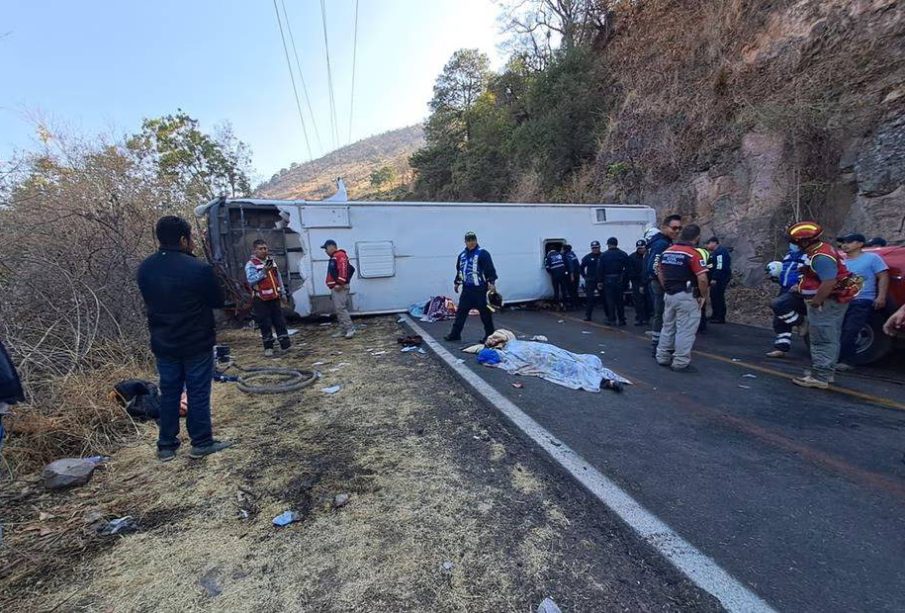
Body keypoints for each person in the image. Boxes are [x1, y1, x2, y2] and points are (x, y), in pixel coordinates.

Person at [137, 216, 231, 461]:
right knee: (198, 392)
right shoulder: (198, 268)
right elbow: (217, 301)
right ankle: (201, 442)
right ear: (183, 239)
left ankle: (166, 445)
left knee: (169, 392)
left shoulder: (146, 268)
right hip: (196, 343)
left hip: (163, 342)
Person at [787, 221, 857, 389]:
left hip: (827, 302)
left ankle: (820, 376)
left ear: (804, 242)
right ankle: (826, 373)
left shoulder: (821, 257)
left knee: (822, 337)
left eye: (795, 242)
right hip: (832, 301)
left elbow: (828, 282)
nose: (794, 246)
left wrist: (816, 301)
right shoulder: (822, 250)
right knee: (829, 336)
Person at [655, 224, 710, 371]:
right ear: (697, 237)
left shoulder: (667, 252)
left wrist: (665, 287)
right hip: (687, 295)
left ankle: (662, 356)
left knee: (667, 326)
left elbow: (659, 271)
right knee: (685, 329)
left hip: (669, 294)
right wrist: (703, 296)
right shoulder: (693, 254)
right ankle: (680, 361)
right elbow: (703, 278)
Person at [836, 233, 889, 370]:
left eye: (849, 242)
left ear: (860, 244)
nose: (844, 245)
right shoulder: (840, 260)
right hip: (840, 301)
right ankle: (833, 359)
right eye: (843, 242)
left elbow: (883, 276)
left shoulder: (872, 258)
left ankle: (847, 361)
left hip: (862, 300)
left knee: (851, 330)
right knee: (836, 329)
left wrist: (881, 296)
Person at [445, 231, 498, 342]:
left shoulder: (483, 253)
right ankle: (455, 334)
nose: (471, 242)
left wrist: (491, 283)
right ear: (465, 242)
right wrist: (457, 282)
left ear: (476, 240)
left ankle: (490, 336)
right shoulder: (462, 256)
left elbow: (490, 269)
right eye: (469, 240)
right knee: (461, 313)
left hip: (480, 290)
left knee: (485, 314)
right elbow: (460, 270)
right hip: (467, 290)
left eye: (473, 240)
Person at [245, 239, 290, 357]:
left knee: (279, 321)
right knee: (265, 323)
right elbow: (250, 280)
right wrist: (263, 272)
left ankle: (285, 345)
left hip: (274, 297)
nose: (264, 251)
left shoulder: (271, 262)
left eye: (265, 248)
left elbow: (278, 278)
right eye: (260, 249)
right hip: (260, 299)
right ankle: (268, 347)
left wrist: (283, 293)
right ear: (254, 250)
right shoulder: (251, 264)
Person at [644, 215, 682, 352]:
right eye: (674, 228)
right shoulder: (662, 244)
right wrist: (665, 285)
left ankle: (661, 343)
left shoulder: (663, 242)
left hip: (661, 282)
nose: (677, 231)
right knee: (662, 314)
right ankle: (658, 345)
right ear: (665, 227)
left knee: (663, 314)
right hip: (661, 284)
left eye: (679, 228)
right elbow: (654, 267)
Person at [765, 244, 807, 358]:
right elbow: (785, 269)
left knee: (779, 306)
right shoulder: (789, 255)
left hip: (798, 290)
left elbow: (808, 272)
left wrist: (799, 284)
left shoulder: (808, 255)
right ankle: (781, 348)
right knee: (779, 320)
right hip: (785, 288)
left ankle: (800, 322)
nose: (793, 245)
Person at [322, 239, 356, 339]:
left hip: (339, 287)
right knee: (338, 309)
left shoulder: (339, 255)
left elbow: (343, 270)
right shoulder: (334, 257)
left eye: (326, 248)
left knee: (341, 308)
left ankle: (350, 329)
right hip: (335, 287)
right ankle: (343, 329)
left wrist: (340, 283)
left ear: (332, 246)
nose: (325, 251)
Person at [598, 237, 629, 326]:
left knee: (610, 301)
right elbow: (628, 269)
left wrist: (600, 281)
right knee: (620, 301)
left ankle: (612, 319)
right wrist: (625, 281)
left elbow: (600, 269)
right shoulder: (623, 254)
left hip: (608, 280)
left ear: (608, 244)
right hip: (619, 279)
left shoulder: (604, 255)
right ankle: (622, 319)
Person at [705, 237, 732, 323]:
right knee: (714, 296)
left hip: (720, 277)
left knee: (718, 296)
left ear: (714, 243)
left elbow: (720, 266)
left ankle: (720, 317)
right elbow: (711, 265)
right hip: (715, 277)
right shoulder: (714, 253)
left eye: (708, 243)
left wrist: (715, 278)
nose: (707, 246)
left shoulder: (720, 252)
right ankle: (715, 314)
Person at [627, 240, 649, 326]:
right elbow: (630, 271)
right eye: (639, 248)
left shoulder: (648, 256)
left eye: (642, 248)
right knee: (638, 301)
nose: (641, 250)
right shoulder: (632, 257)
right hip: (637, 282)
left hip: (647, 281)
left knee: (647, 301)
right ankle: (639, 318)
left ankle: (646, 317)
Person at [581, 241, 604, 321]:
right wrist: (584, 276)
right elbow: (581, 267)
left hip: (601, 281)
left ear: (599, 247)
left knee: (605, 299)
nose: (595, 249)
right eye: (593, 248)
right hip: (590, 280)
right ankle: (588, 315)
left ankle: (609, 316)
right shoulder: (587, 257)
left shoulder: (603, 256)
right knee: (590, 299)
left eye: (596, 248)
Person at [544, 246, 569, 311]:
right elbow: (566, 263)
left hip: (555, 275)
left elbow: (547, 267)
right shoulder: (561, 254)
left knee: (556, 291)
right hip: (563, 274)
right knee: (564, 290)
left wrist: (552, 273)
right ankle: (565, 306)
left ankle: (557, 306)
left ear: (549, 250)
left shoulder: (548, 257)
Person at [695, 247, 713, 334]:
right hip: (705, 278)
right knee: (702, 302)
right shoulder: (706, 253)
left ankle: (697, 325)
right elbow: (710, 268)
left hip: (695, 279)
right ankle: (702, 325)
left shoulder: (692, 252)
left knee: (695, 303)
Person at [562, 244, 581, 309]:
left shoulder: (567, 255)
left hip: (571, 275)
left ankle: (573, 305)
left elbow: (570, 265)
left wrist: (571, 275)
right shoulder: (573, 254)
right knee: (575, 290)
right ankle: (577, 304)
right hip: (577, 274)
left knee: (571, 290)